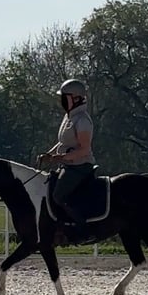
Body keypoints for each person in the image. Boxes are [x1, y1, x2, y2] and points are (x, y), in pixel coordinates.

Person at [38, 78, 96, 240]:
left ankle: (83, 229)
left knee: (58, 195)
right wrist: (49, 155)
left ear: (76, 98)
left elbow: (84, 149)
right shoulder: (69, 117)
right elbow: (62, 142)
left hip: (80, 166)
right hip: (68, 165)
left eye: (65, 97)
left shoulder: (83, 120)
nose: (61, 101)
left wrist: (60, 157)